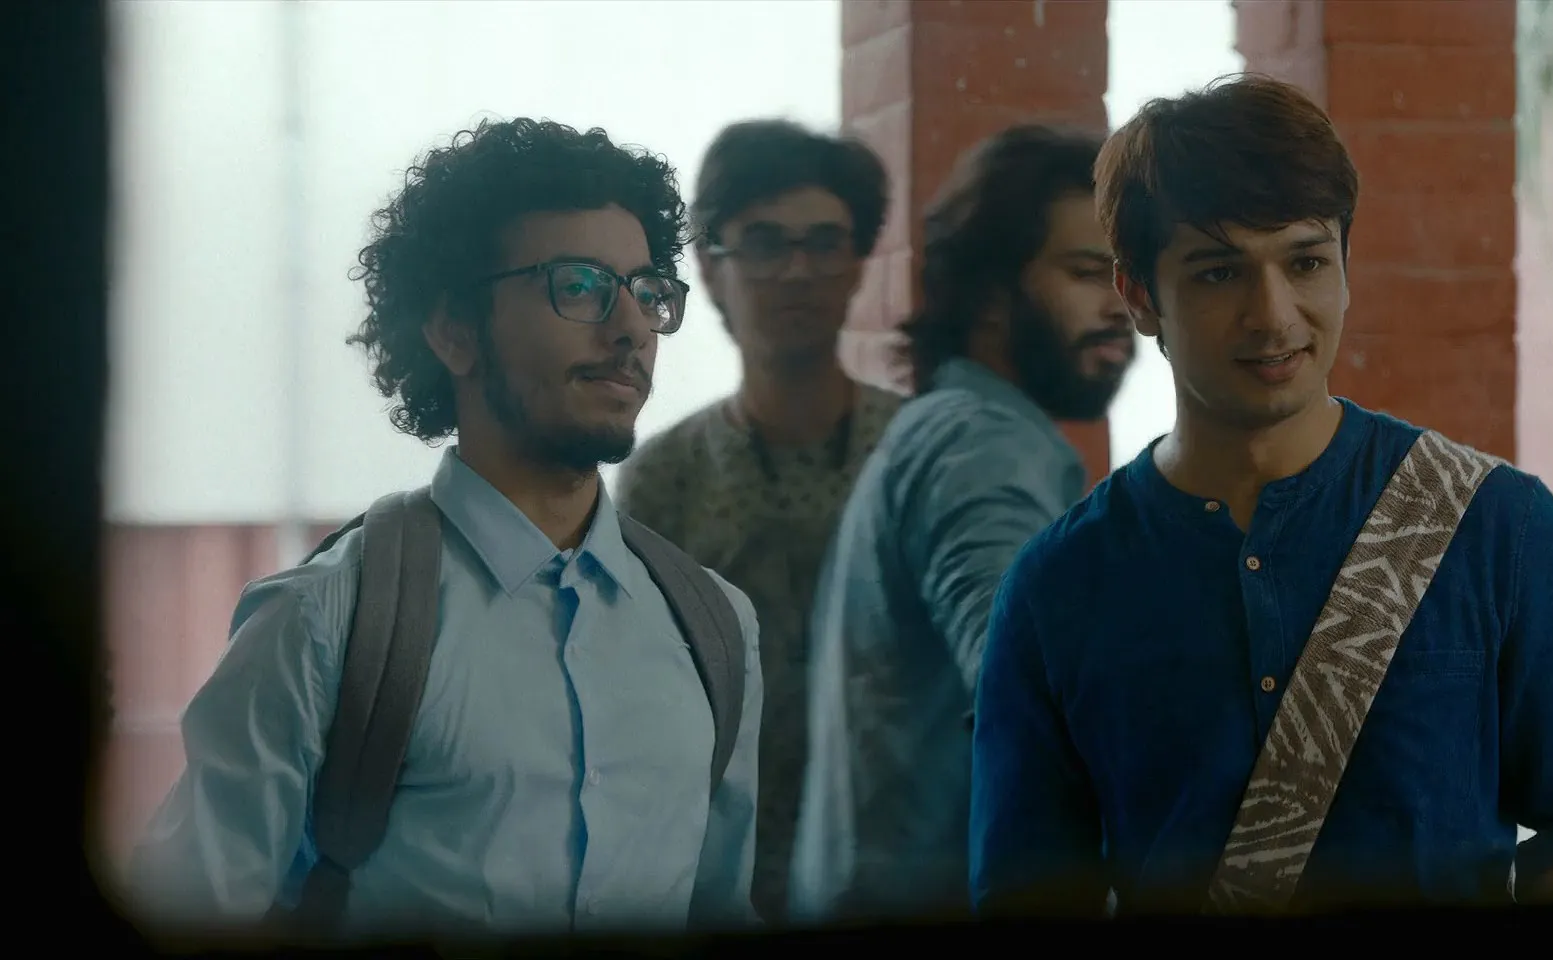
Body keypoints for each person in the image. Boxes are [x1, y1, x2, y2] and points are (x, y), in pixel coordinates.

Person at [969, 75, 1553, 918]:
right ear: (1140, 296)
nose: (1274, 316)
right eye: (1219, 272)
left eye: (1304, 262)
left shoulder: (1498, 527)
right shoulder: (1057, 588)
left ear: (1345, 267)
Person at [125, 119, 762, 940]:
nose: (630, 328)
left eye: (645, 291)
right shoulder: (325, 622)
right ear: (454, 330)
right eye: (579, 286)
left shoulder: (715, 627)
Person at [788, 124, 1136, 924]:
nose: (1120, 306)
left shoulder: (955, 430)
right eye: (1087, 273)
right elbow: (1039, 699)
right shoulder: (981, 446)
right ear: (988, 296)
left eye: (1128, 276)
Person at [615, 119, 897, 923]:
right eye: (766, 243)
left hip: (906, 863)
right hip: (724, 876)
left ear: (858, 262)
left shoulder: (916, 453)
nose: (799, 270)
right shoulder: (665, 476)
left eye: (825, 242)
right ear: (711, 267)